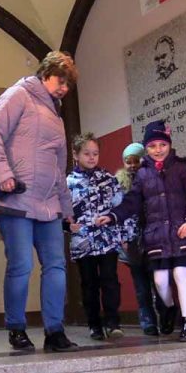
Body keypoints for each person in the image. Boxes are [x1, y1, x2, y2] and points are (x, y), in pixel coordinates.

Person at [0, 50, 78, 352]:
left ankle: (54, 331)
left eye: (68, 84)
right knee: (21, 265)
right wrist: (3, 174)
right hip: (16, 198)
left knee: (56, 265)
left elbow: (60, 167)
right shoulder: (19, 94)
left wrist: (67, 209)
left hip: (48, 204)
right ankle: (17, 329)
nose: (64, 87)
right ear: (46, 72)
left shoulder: (56, 114)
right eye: (60, 80)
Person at [96, 120, 186, 342]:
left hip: (181, 231)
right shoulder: (143, 173)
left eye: (162, 144)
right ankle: (170, 307)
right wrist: (114, 215)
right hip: (156, 236)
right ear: (147, 148)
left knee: (181, 274)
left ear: (168, 144)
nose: (158, 150)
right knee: (161, 281)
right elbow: (132, 201)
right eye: (152, 146)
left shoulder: (181, 167)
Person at [67, 132, 129, 341]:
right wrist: (66, 225)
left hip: (107, 240)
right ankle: (94, 324)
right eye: (87, 153)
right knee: (88, 283)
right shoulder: (68, 183)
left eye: (95, 153)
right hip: (83, 242)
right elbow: (60, 213)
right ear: (76, 154)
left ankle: (113, 322)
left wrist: (120, 231)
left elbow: (121, 207)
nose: (92, 157)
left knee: (110, 280)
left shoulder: (109, 179)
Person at [115, 142, 161, 336]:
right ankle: (147, 322)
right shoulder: (119, 184)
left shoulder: (153, 179)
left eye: (136, 160)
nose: (132, 165)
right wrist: (123, 238)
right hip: (132, 241)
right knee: (141, 286)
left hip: (153, 237)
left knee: (159, 281)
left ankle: (164, 316)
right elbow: (119, 213)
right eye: (128, 161)